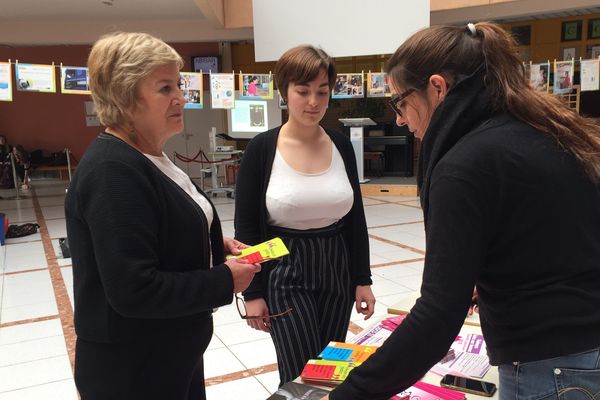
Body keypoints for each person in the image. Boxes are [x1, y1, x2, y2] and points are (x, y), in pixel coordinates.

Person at [325, 22, 600, 400]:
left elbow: (438, 317)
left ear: (437, 88)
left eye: (401, 102)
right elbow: (546, 238)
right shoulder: (542, 129)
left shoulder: (464, 164)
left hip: (549, 365)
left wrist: (348, 395)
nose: (401, 119)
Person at [64, 32, 261, 400]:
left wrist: (209, 243)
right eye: (165, 87)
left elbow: (151, 231)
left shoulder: (147, 156)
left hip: (168, 355)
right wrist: (224, 280)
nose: (181, 98)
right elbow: (134, 290)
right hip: (135, 368)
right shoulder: (113, 170)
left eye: (179, 85)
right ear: (125, 95)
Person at [234, 45, 375, 386]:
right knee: (300, 374)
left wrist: (362, 278)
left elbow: (355, 219)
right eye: (303, 91)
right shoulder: (262, 149)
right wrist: (253, 293)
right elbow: (247, 227)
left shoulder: (340, 145)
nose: (313, 101)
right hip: (283, 265)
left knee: (330, 369)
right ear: (284, 91)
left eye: (322, 92)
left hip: (336, 264)